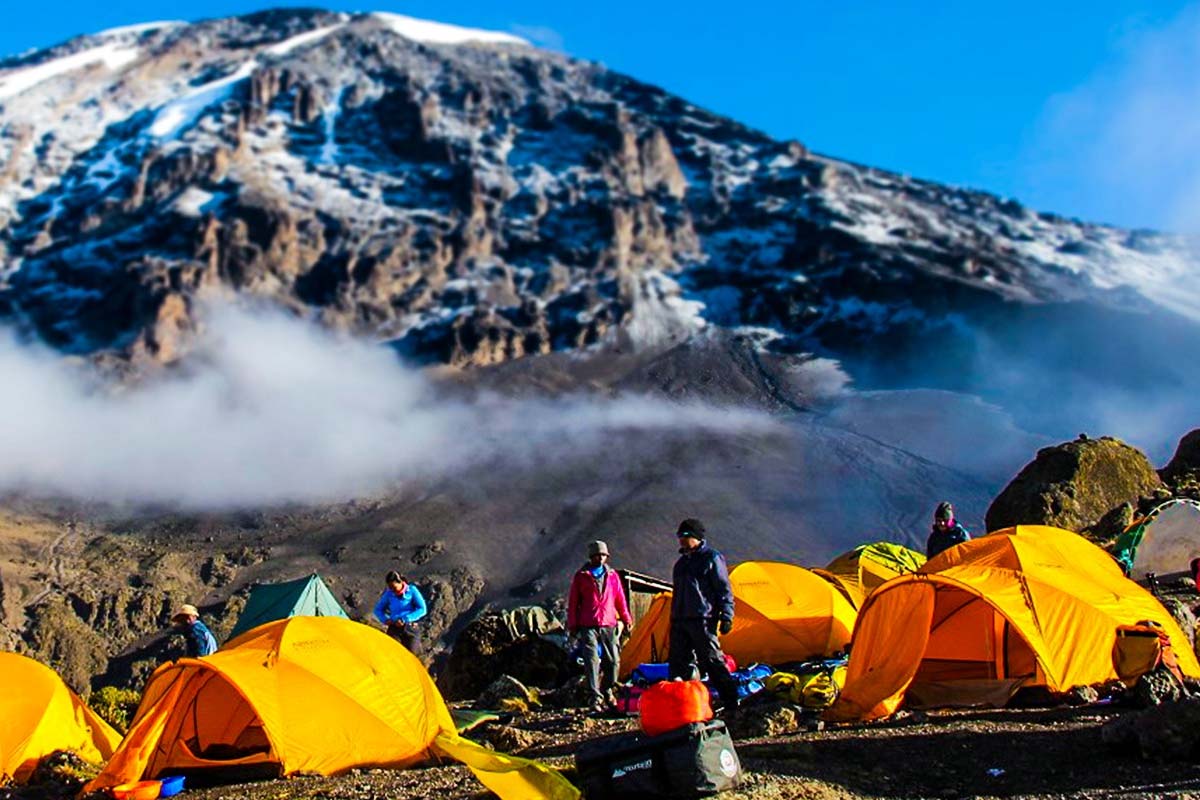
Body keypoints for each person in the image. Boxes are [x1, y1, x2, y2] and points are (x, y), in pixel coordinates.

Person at [668, 518, 739, 714]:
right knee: (677, 664)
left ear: (697, 537)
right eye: (680, 536)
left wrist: (727, 615)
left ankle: (731, 701)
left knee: (711, 660)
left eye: (686, 536)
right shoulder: (680, 564)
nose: (681, 540)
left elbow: (723, 589)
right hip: (680, 619)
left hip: (703, 618)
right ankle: (679, 706)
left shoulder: (711, 558)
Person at [567, 540, 633, 713]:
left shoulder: (612, 576)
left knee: (613, 661)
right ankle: (595, 697)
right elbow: (574, 602)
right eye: (597, 555)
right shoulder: (581, 576)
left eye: (603, 555)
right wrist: (573, 625)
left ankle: (607, 688)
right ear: (591, 556)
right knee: (592, 660)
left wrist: (626, 619)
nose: (600, 558)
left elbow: (620, 599)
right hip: (588, 624)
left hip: (609, 623)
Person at [374, 571, 427, 656]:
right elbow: (377, 610)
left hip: (410, 629)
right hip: (394, 628)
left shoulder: (412, 590)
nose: (392, 590)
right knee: (392, 655)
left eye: (394, 587)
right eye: (390, 587)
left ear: (401, 582)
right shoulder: (389, 594)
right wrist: (386, 620)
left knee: (412, 656)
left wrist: (405, 619)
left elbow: (422, 609)